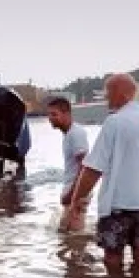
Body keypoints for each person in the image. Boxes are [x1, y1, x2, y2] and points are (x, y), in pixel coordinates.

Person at [65, 73, 139, 271]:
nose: (105, 98)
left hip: (117, 203)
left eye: (108, 92)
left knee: (112, 257)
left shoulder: (114, 122)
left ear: (121, 93)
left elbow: (93, 168)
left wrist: (76, 200)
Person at [47, 97, 90, 231]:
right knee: (66, 233)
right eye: (49, 114)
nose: (50, 118)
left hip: (77, 191)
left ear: (66, 114)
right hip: (74, 190)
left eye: (54, 114)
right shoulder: (68, 134)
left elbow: (84, 166)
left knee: (75, 235)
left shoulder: (76, 134)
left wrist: (72, 195)